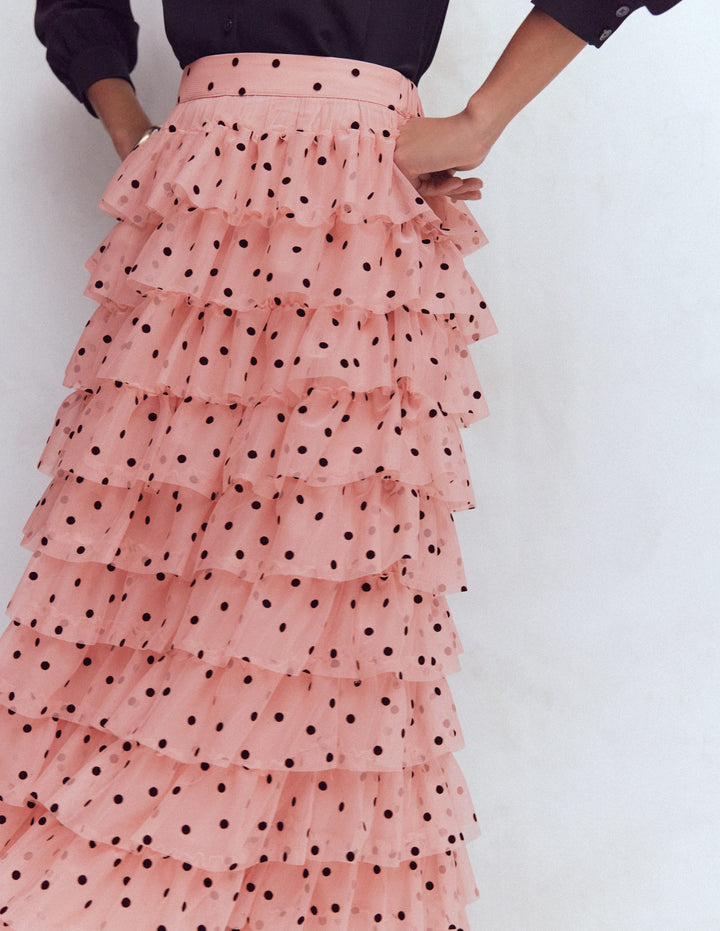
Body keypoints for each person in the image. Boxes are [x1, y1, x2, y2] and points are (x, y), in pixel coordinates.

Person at [0, 1, 682, 928]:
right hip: (195, 203)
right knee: (133, 582)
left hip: (357, 204)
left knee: (316, 591)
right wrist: (133, 129)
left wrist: (480, 121)